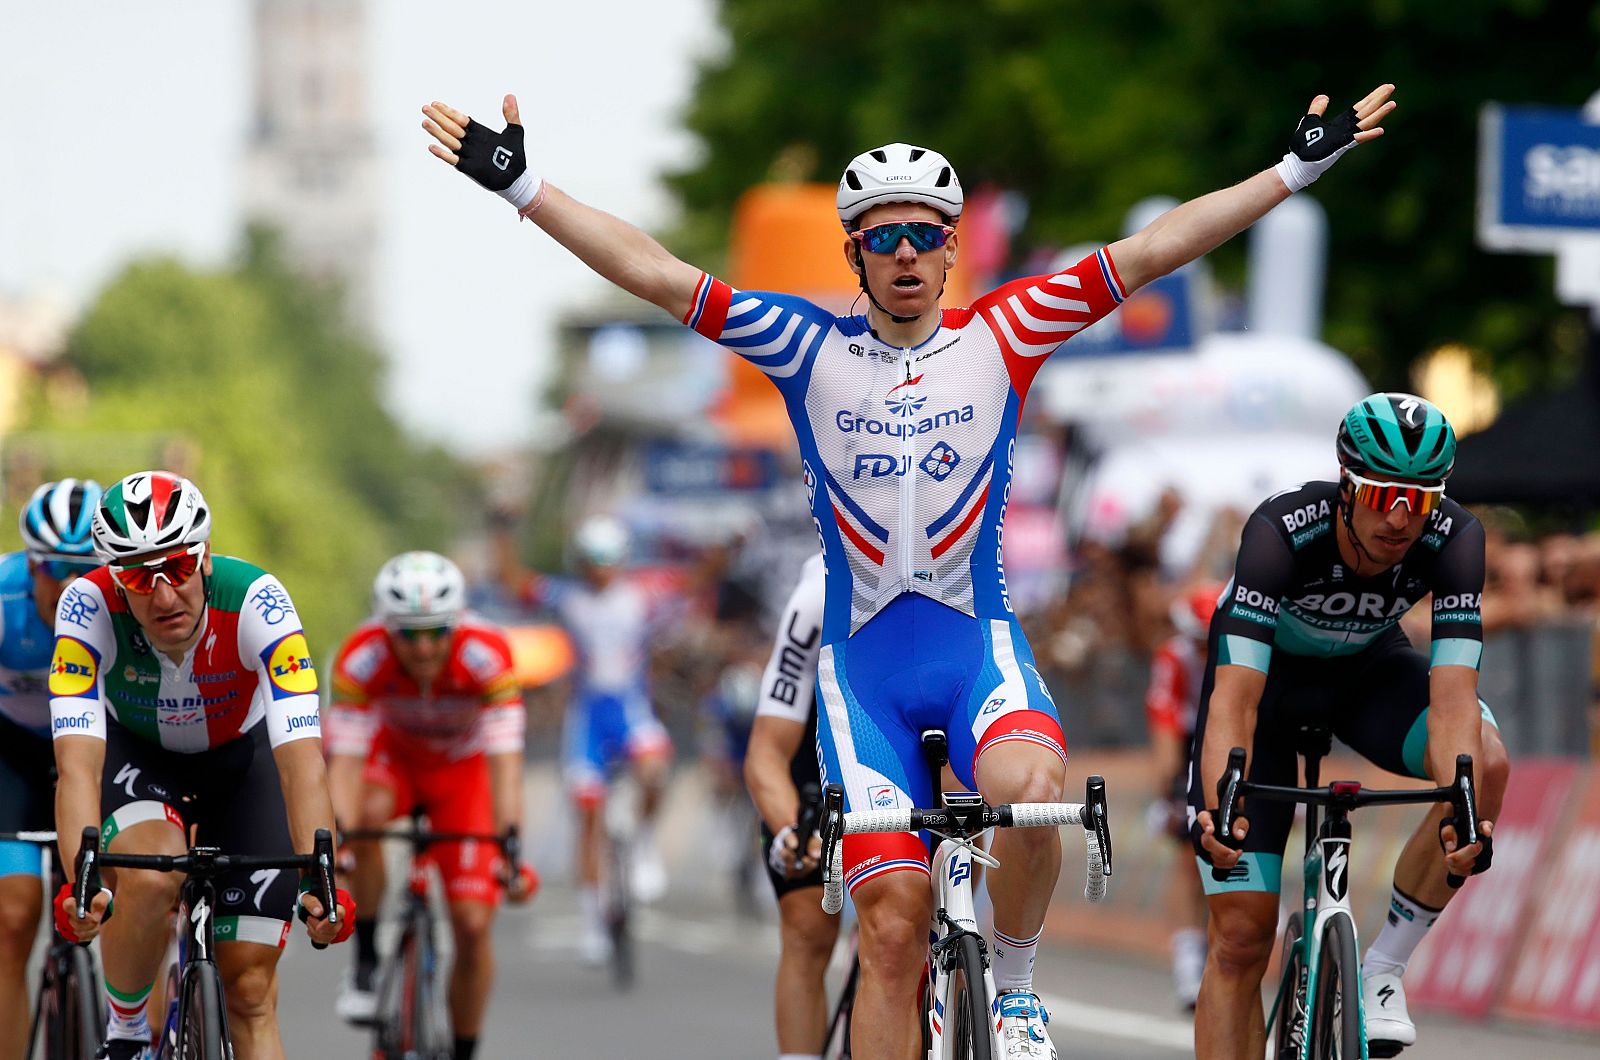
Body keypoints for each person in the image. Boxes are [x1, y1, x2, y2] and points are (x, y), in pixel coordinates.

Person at [424, 83, 1396, 1059]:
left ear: (950, 248)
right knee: (889, 927)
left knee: (1032, 785)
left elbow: (1151, 252)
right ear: (852, 251)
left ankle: (1011, 984)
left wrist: (1291, 171)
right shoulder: (803, 344)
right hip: (866, 679)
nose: (903, 255)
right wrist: (526, 187)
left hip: (976, 650)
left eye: (924, 236)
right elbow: (657, 274)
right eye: (881, 238)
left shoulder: (1006, 330)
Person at [1189, 394, 1507, 1058]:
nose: (1399, 519)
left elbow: (1452, 698)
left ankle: (1384, 968)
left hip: (1366, 678)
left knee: (1488, 761)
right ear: (1346, 484)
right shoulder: (1281, 532)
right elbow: (1234, 700)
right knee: (1242, 938)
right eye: (1384, 495)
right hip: (1265, 695)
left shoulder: (1457, 540)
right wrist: (1221, 803)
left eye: (1419, 502)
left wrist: (1462, 802)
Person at [48, 471, 354, 1060]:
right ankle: (128, 1031)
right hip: (141, 757)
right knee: (149, 874)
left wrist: (323, 884)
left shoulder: (260, 601)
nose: (164, 596)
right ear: (117, 580)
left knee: (250, 988)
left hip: (245, 763)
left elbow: (302, 764)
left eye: (179, 567)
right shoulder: (85, 606)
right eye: (139, 576)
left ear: (206, 557)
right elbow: (79, 765)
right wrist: (81, 885)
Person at [327, 551, 536, 1060]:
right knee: (364, 821)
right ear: (386, 628)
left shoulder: (488, 654)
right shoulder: (360, 657)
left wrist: (510, 848)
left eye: (437, 632)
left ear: (457, 623)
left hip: (461, 773)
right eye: (409, 634)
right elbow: (346, 766)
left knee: (471, 926)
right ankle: (366, 957)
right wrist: (335, 843)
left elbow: (506, 763)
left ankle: (464, 1049)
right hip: (392, 761)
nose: (423, 648)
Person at [493, 514, 672, 962]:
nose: (600, 569)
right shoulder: (568, 598)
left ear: (622, 562)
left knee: (654, 770)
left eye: (608, 560)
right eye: (592, 561)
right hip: (587, 718)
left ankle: (645, 843)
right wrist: (503, 531)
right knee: (588, 815)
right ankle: (593, 920)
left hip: (630, 710)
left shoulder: (640, 598)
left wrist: (726, 548)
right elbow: (515, 582)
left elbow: (690, 583)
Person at [0, 479, 102, 1059]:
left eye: (86, 568)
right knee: (14, 919)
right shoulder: (3, 599)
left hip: (91, 754)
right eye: (57, 569)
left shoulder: (119, 605)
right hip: (12, 753)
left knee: (128, 904)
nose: (70, 585)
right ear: (31, 565)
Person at [743, 554, 837, 1060]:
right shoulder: (819, 588)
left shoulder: (957, 565)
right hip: (814, 764)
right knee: (808, 927)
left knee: (902, 932)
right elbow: (765, 753)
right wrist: (788, 833)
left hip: (918, 754)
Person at [1145, 581, 1222, 1011]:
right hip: (1191, 744)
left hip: (1235, 741)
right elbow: (1165, 730)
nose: (1207, 654)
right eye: (1201, 644)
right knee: (1188, 859)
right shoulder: (1174, 659)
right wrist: (1169, 793)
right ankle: (1189, 961)